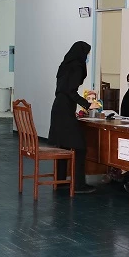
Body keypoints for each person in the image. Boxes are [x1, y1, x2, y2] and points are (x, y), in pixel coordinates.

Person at [49, 41, 101, 194]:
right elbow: (71, 91)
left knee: (64, 145)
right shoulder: (77, 66)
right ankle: (79, 185)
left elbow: (63, 89)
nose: (87, 57)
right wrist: (88, 104)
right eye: (87, 54)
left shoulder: (65, 65)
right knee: (80, 147)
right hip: (65, 110)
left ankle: (60, 181)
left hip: (58, 107)